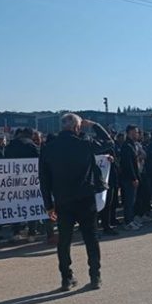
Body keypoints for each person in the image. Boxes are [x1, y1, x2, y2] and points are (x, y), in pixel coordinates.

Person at [39, 113, 113, 291]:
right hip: (85, 198)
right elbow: (108, 142)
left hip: (63, 200)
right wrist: (94, 124)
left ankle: (66, 278)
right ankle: (95, 276)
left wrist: (48, 204)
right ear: (77, 127)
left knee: (64, 241)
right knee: (91, 238)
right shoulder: (84, 144)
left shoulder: (48, 148)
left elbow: (44, 179)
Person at [119, 125, 142, 231]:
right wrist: (134, 178)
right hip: (128, 178)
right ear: (129, 133)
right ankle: (128, 222)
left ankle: (131, 219)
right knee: (129, 201)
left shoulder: (133, 145)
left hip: (133, 177)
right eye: (135, 132)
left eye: (137, 132)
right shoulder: (126, 146)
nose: (137, 134)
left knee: (132, 200)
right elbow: (128, 164)